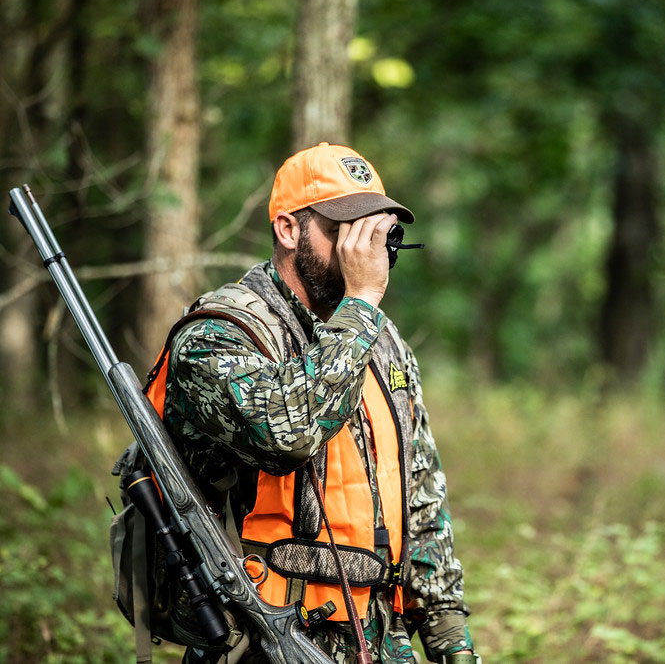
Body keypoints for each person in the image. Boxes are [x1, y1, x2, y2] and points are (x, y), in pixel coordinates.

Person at [157, 143, 477, 663]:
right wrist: (362, 304)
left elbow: (421, 502)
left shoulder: (382, 339)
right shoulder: (219, 333)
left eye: (378, 232)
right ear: (288, 229)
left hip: (380, 640)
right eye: (345, 230)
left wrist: (450, 642)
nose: (367, 250)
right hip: (265, 637)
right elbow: (290, 434)